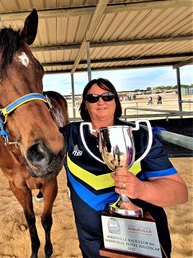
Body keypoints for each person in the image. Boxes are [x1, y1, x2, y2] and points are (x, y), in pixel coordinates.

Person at [59, 78, 188, 258]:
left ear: (116, 100)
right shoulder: (69, 134)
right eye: (93, 97)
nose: (101, 101)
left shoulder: (140, 136)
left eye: (107, 96)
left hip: (142, 240)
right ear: (85, 104)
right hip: (92, 244)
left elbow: (180, 193)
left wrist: (141, 189)